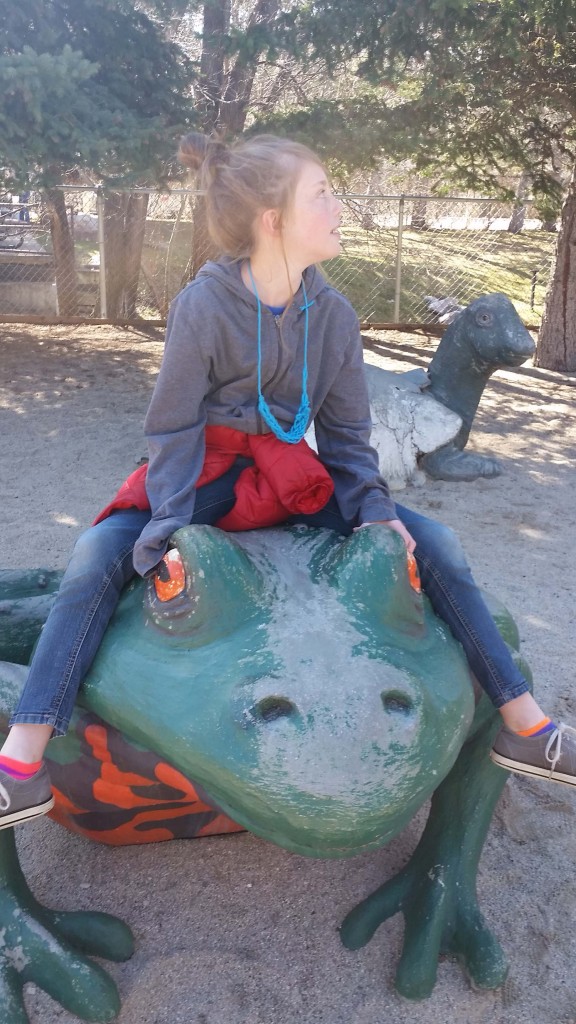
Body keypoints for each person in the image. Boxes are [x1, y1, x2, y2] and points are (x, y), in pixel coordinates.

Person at [1, 134, 574, 831]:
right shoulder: (203, 306)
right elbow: (173, 429)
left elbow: (346, 438)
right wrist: (171, 523)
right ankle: (23, 760)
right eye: (321, 194)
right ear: (273, 220)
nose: (338, 207)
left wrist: (374, 511)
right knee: (94, 560)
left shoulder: (332, 315)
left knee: (438, 546)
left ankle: (525, 722)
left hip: (292, 476)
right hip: (207, 473)